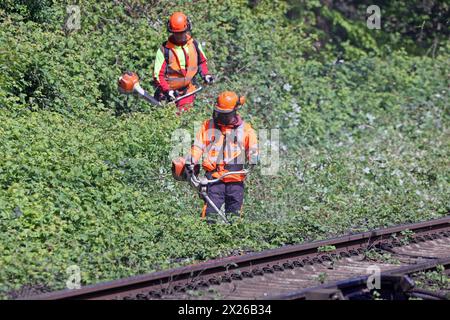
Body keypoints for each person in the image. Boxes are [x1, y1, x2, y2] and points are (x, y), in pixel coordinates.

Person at [187, 91, 259, 223]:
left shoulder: (246, 129)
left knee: (235, 215)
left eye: (225, 114)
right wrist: (192, 159)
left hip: (235, 177)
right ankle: (207, 238)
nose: (221, 117)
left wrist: (253, 157)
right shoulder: (207, 126)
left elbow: (252, 147)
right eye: (219, 113)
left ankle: (234, 239)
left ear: (234, 111)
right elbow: (198, 146)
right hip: (214, 179)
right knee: (210, 214)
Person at [153, 11, 213, 115]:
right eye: (176, 33)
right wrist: (167, 90)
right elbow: (158, 76)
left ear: (187, 29)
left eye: (182, 32)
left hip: (187, 91)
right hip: (168, 94)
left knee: (184, 119)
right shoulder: (164, 50)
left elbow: (202, 62)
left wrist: (206, 75)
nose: (179, 35)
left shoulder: (194, 44)